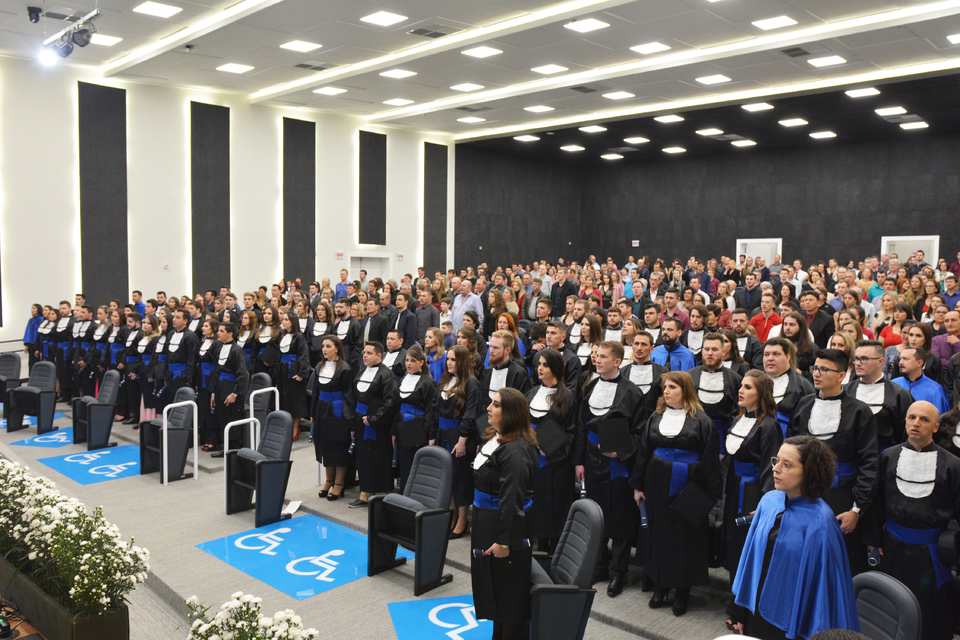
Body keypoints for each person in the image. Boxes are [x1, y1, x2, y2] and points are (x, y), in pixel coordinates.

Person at [730, 435, 860, 639]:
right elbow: (751, 562)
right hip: (755, 611)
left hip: (793, 619)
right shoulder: (769, 501)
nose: (775, 468)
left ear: (809, 472)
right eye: (776, 461)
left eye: (787, 465)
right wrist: (741, 611)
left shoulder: (821, 523)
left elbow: (821, 592)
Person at [865, 401, 960, 640]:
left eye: (924, 420)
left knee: (929, 611)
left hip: (932, 554)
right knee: (892, 605)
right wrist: (874, 541)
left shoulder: (952, 465)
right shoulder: (888, 456)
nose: (916, 423)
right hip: (892, 548)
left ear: (936, 427)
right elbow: (877, 503)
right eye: (911, 417)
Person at [631, 370, 722, 616]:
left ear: (686, 390)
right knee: (658, 535)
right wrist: (638, 486)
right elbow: (643, 452)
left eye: (672, 387)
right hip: (656, 483)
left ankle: (682, 592)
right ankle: (660, 587)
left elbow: (710, 461)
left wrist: (704, 497)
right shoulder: (656, 416)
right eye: (665, 388)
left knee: (685, 540)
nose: (667, 392)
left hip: (689, 486)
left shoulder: (702, 421)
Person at [787, 349, 879, 575]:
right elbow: (790, 452)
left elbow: (869, 464)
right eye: (815, 368)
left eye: (824, 369)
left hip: (841, 498)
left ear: (841, 375)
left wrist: (856, 510)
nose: (816, 374)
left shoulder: (859, 411)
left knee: (838, 564)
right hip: (804, 494)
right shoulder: (804, 405)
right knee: (802, 558)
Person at [574, 342, 645, 598]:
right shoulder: (590, 386)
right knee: (597, 515)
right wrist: (579, 461)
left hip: (618, 463)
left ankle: (618, 573)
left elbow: (639, 432)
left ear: (617, 361)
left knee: (620, 519)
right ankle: (601, 566)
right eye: (596, 356)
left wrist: (621, 452)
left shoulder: (632, 392)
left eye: (603, 356)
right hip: (592, 459)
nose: (597, 360)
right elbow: (582, 426)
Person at [470, 387, 539, 640]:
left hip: (503, 528)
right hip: (487, 520)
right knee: (494, 589)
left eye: (496, 405)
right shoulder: (499, 438)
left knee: (508, 595)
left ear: (510, 413)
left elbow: (512, 501)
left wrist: (503, 541)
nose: (489, 408)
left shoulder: (516, 451)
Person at [724, 370, 782, 596]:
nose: (741, 390)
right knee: (734, 543)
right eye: (741, 386)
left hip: (752, 492)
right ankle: (734, 598)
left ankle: (744, 606)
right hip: (734, 485)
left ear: (761, 394)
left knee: (748, 546)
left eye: (748, 387)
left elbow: (770, 468)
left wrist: (764, 503)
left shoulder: (769, 426)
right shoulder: (738, 418)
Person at [525, 348, 577, 550]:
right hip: (532, 457)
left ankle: (554, 552)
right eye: (539, 364)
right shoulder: (531, 392)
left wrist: (552, 450)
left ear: (555, 368)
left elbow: (571, 431)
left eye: (545, 365)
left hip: (554, 463)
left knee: (553, 508)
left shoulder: (567, 396)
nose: (540, 368)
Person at [431, 344, 481, 537]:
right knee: (448, 478)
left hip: (459, 436)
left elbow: (470, 415)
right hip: (443, 433)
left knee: (461, 480)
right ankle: (451, 516)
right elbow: (436, 410)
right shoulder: (446, 380)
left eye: (453, 359)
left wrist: (461, 440)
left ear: (462, 361)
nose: (449, 363)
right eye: (448, 359)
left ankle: (461, 520)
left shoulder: (471, 383)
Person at [349, 341, 399, 508]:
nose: (364, 355)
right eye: (364, 352)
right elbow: (355, 398)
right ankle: (365, 492)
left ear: (379, 355)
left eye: (369, 353)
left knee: (380, 456)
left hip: (378, 424)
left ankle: (385, 492)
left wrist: (373, 419)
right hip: (361, 421)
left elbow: (390, 402)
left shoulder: (387, 375)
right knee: (363, 456)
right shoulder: (361, 372)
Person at [310, 335, 355, 502]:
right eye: (323, 346)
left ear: (337, 348)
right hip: (321, 408)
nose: (324, 349)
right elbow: (315, 392)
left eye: (328, 346)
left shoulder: (345, 369)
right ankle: (328, 480)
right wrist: (313, 413)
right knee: (324, 445)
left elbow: (349, 397)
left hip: (337, 410)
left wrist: (349, 420)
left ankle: (339, 482)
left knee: (338, 447)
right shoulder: (319, 367)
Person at [847, 340, 912, 452]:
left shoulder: (899, 395)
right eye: (856, 359)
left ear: (881, 362)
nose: (858, 363)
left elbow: (904, 433)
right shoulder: (846, 391)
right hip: (850, 455)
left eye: (864, 359)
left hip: (885, 455)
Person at [690, 333, 742, 455]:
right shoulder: (690, 376)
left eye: (714, 349)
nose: (710, 353)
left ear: (723, 352)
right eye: (707, 349)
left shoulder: (735, 379)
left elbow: (738, 412)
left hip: (722, 435)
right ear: (702, 351)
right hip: (694, 432)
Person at [394, 345, 435, 491]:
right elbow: (397, 406)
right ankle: (404, 491)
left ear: (421, 363)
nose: (409, 364)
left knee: (414, 462)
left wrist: (426, 433)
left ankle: (415, 493)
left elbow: (430, 411)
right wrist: (394, 431)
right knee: (404, 461)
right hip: (402, 424)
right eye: (407, 360)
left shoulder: (428, 382)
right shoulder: (404, 379)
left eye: (413, 360)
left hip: (417, 426)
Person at [210, 322, 250, 456]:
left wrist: (235, 393)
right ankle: (226, 447)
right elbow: (216, 372)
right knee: (222, 418)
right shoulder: (219, 347)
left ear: (230, 334)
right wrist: (214, 393)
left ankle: (234, 449)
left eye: (221, 331)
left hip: (232, 389)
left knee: (233, 419)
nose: (218, 333)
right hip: (221, 387)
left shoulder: (237, 351)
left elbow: (243, 375)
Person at [892, 347, 949, 414]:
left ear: (919, 363)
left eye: (906, 359)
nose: (900, 363)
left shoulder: (935, 390)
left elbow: (941, 419)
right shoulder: (892, 385)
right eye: (900, 359)